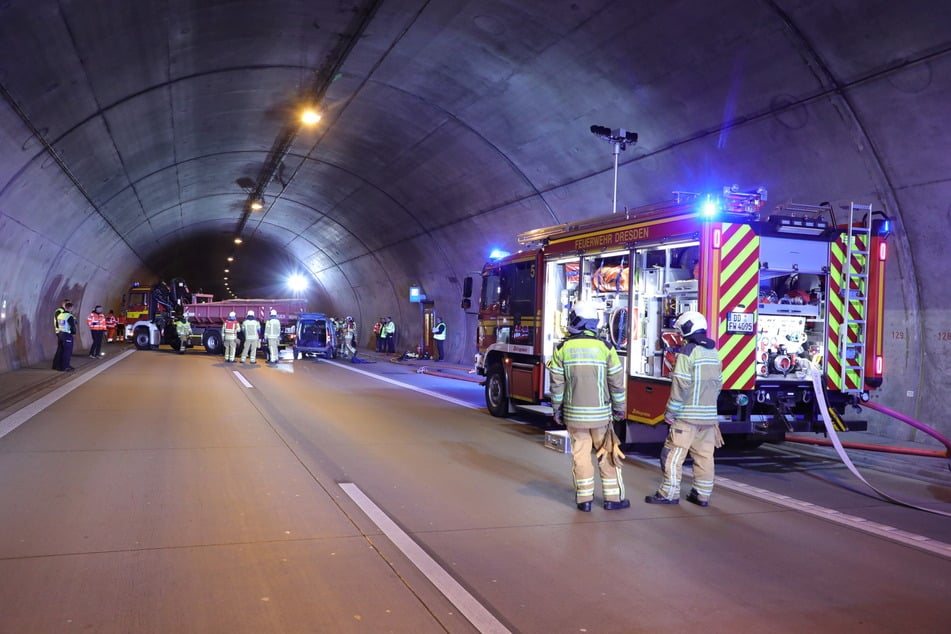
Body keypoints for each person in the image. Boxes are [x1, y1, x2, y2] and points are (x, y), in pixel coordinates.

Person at [547, 301, 628, 512]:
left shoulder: (562, 349)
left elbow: (557, 384)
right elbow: (617, 383)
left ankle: (584, 501)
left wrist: (557, 409)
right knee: (607, 454)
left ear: (576, 321)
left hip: (574, 416)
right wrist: (620, 408)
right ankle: (613, 499)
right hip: (601, 416)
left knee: (580, 455)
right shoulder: (606, 348)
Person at [645, 310, 724, 507]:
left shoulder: (688, 352)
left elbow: (680, 385)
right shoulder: (713, 352)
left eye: (681, 332)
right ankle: (702, 495)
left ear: (688, 329)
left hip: (686, 418)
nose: (680, 336)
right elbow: (719, 384)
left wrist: (670, 413)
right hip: (708, 419)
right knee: (705, 457)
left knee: (673, 456)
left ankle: (668, 494)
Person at [55, 301, 77, 372]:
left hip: (61, 333)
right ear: (70, 308)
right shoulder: (69, 316)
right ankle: (66, 367)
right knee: (67, 351)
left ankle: (61, 366)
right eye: (72, 308)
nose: (73, 309)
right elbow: (72, 326)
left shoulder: (60, 315)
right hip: (67, 334)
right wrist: (74, 333)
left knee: (62, 350)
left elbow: (57, 324)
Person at [52, 298, 70, 370]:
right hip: (61, 332)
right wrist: (60, 331)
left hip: (63, 332)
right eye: (68, 304)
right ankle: (57, 365)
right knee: (61, 349)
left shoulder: (65, 311)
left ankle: (62, 364)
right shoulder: (59, 311)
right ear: (63, 304)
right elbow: (58, 322)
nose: (69, 305)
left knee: (63, 349)